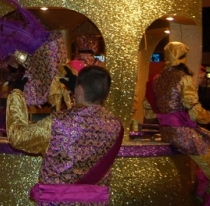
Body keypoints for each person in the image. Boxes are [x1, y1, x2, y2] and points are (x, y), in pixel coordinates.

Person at [7, 65, 124, 206]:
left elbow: (18, 136)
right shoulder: (115, 126)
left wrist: (16, 94)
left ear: (79, 90)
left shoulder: (58, 122)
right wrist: (79, 91)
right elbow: (91, 114)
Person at [151, 42, 210, 205]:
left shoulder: (158, 79)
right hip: (181, 133)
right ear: (182, 57)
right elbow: (194, 110)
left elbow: (149, 108)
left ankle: (200, 193)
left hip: (166, 131)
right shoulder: (184, 78)